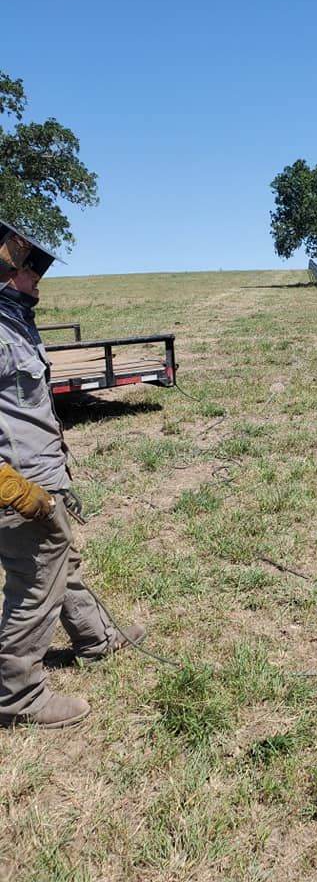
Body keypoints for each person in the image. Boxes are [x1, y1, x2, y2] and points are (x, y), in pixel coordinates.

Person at [0, 219, 145, 729]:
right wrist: (11, 487)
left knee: (63, 560)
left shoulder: (14, 320)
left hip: (41, 474)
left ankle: (95, 638)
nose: (38, 276)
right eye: (28, 267)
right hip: (15, 488)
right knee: (35, 583)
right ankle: (17, 697)